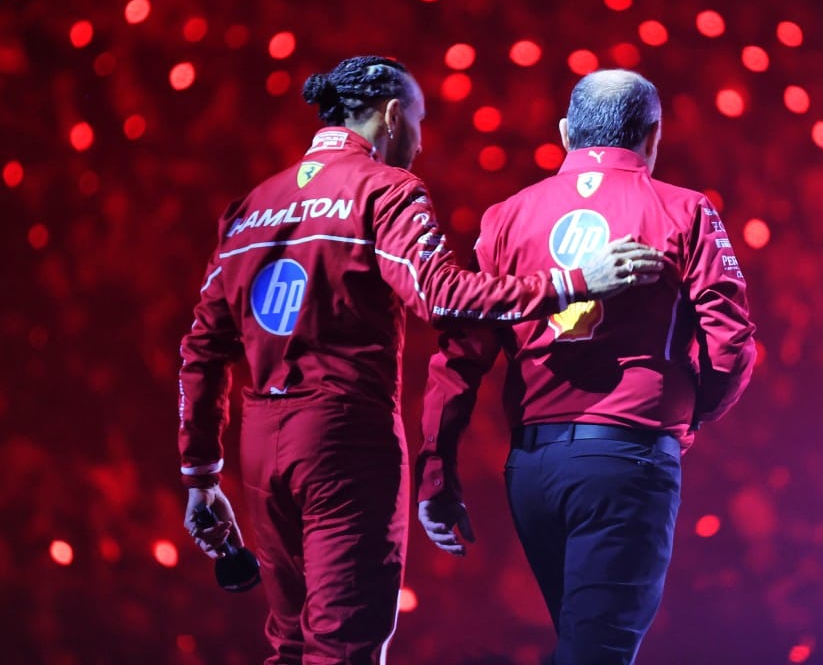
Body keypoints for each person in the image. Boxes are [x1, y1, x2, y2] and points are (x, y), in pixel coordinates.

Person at [177, 56, 665, 665]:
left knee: (291, 642)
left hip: (259, 446)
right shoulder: (384, 189)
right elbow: (443, 296)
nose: (421, 139)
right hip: (343, 439)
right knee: (343, 646)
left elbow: (201, 349)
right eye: (419, 120)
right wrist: (572, 281)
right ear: (391, 116)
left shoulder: (250, 207)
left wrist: (200, 476)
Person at [417, 69, 757, 664]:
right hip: (628, 460)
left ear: (565, 133)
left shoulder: (505, 217)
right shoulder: (686, 210)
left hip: (531, 469)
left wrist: (436, 471)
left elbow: (459, 357)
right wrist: (690, 413)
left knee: (582, 647)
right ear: (653, 136)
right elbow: (731, 345)